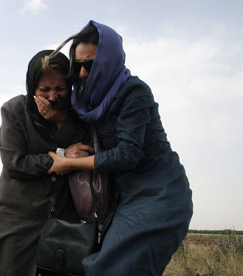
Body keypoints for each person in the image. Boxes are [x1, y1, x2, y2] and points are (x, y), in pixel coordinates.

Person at [48, 21, 194, 276]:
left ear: (108, 61)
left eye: (91, 65)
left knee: (110, 270)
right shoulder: (88, 102)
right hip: (127, 198)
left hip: (159, 194)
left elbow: (127, 154)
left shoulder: (133, 92)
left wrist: (69, 164)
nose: (82, 74)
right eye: (78, 66)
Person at [0, 50, 90, 276]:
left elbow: (85, 150)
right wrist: (61, 157)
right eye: (44, 90)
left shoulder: (78, 116)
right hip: (17, 219)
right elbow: (14, 162)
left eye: (60, 89)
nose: (53, 97)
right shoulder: (15, 111)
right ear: (31, 87)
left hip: (61, 221)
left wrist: (59, 120)